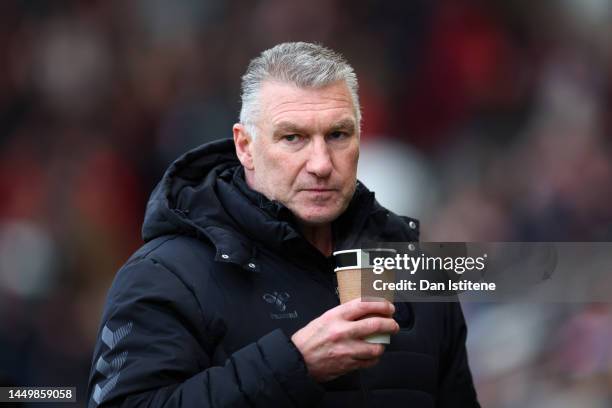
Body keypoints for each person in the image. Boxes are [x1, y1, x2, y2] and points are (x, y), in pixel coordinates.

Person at [87, 42, 480, 407]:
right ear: (246, 147)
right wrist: (292, 366)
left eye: (338, 135)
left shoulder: (418, 271)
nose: (322, 163)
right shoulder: (164, 276)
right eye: (293, 138)